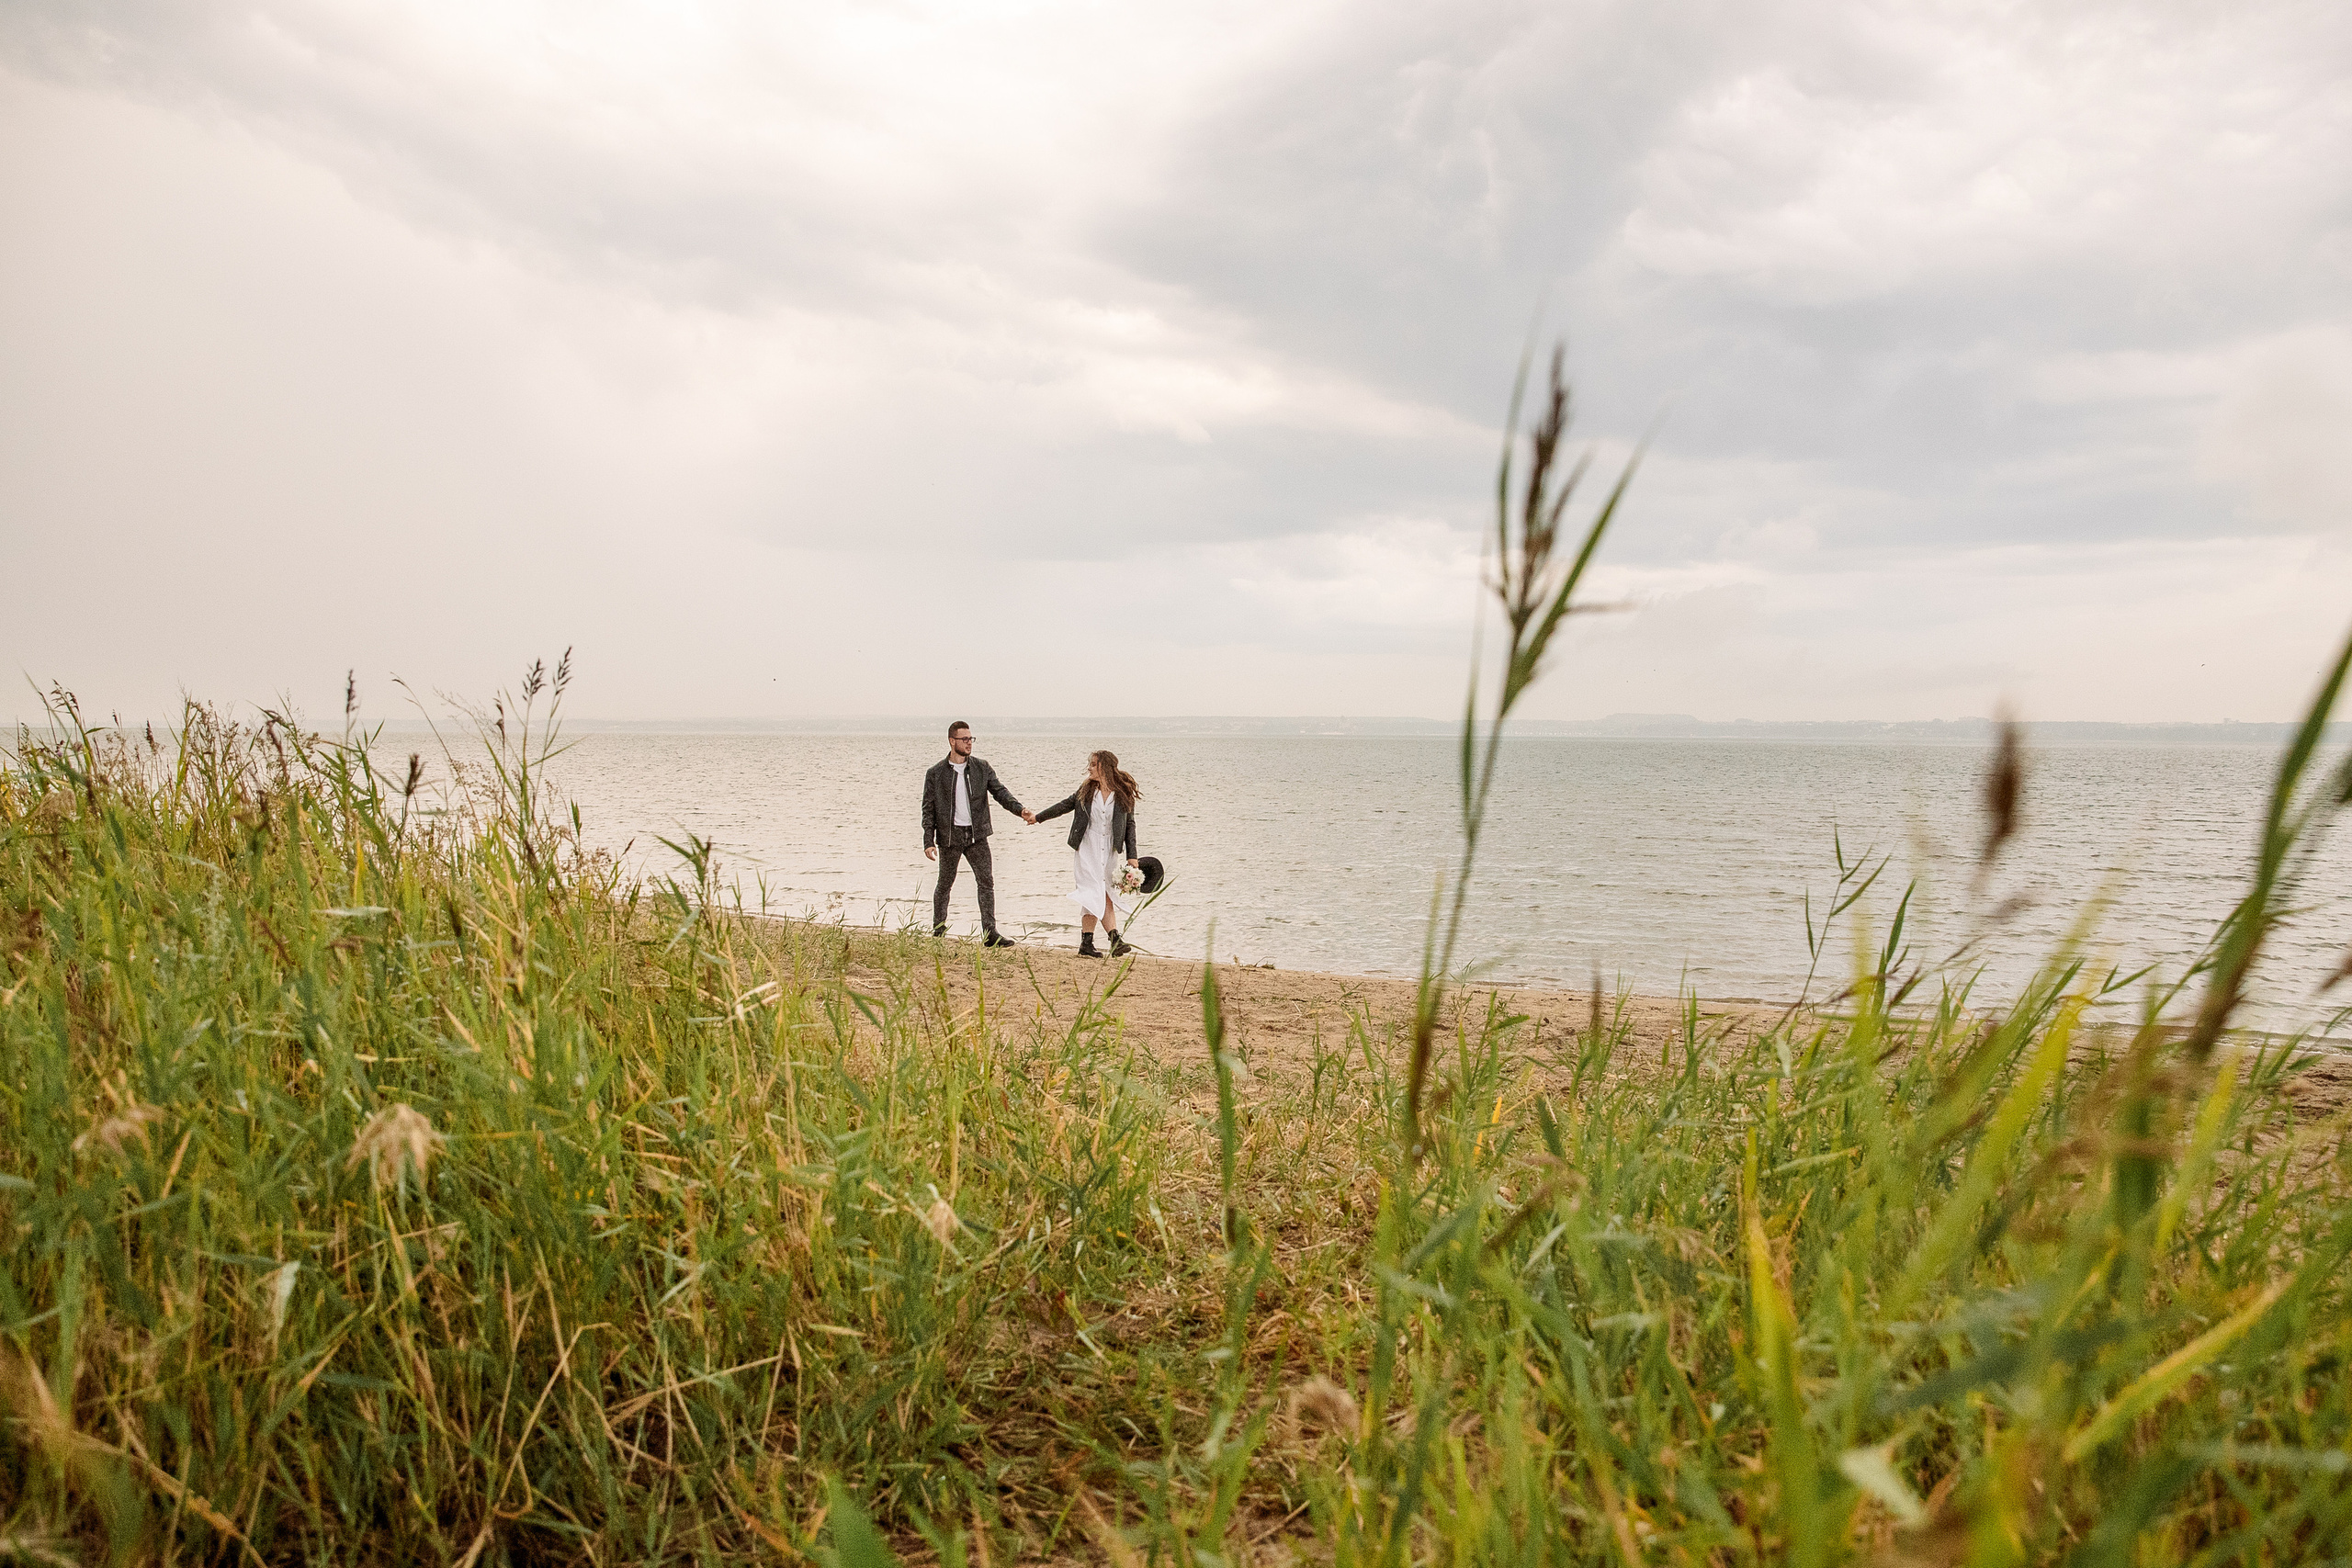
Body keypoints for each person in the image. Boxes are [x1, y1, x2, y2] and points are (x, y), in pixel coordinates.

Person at [922, 721, 1034, 946]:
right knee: (945, 883)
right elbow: (928, 808)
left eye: (971, 739)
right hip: (950, 837)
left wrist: (1020, 810)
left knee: (986, 882)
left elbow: (1001, 793)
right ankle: (938, 929)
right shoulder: (935, 773)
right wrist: (928, 841)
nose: (969, 743)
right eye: (964, 739)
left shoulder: (982, 767)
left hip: (977, 836)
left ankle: (990, 933)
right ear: (952, 741)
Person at [1034, 750, 1140, 958]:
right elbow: (1064, 806)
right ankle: (1114, 939)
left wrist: (1132, 856)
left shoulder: (1123, 793)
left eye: (1093, 764)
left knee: (1102, 892)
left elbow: (1130, 826)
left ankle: (1086, 943)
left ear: (1104, 767)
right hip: (1087, 847)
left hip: (1109, 850)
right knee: (1094, 891)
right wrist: (1038, 817)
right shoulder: (1086, 790)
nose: (1089, 768)